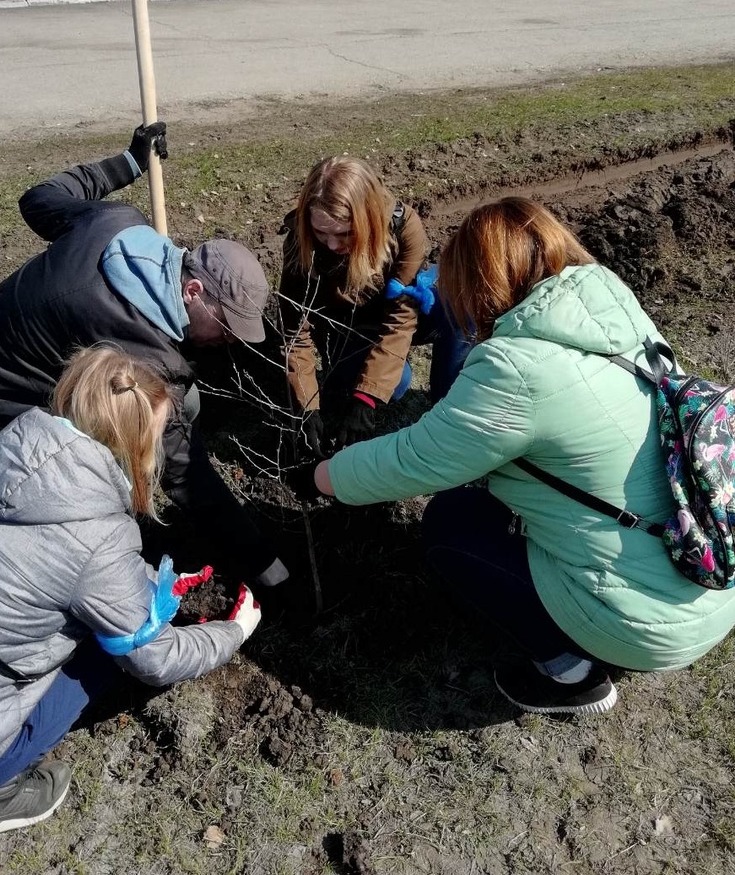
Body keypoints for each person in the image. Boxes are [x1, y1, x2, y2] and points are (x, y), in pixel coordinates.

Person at [297, 197, 735, 715]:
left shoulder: (518, 370)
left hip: (647, 622)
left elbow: (412, 459)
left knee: (451, 526)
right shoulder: (606, 301)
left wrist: (322, 477)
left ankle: (569, 673)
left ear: (480, 281)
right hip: (708, 577)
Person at [0, 346, 262, 843]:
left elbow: (53, 564)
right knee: (108, 654)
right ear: (132, 439)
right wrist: (233, 631)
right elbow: (156, 659)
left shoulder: (5, 455)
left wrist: (147, 582)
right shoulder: (100, 537)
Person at [0, 123, 286, 589]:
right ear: (192, 290)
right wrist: (266, 567)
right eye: (227, 327)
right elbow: (188, 476)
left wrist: (129, 162)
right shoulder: (143, 357)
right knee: (100, 483)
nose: (229, 340)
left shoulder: (118, 224)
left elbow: (41, 197)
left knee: (184, 405)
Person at [278, 155, 470, 456]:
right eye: (321, 233)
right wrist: (306, 408)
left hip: (397, 311)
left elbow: (401, 319)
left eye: (344, 234)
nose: (331, 244)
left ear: (369, 219)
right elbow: (295, 333)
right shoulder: (299, 243)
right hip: (352, 326)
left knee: (460, 303)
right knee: (398, 382)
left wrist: (366, 399)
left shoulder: (403, 228)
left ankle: (447, 414)